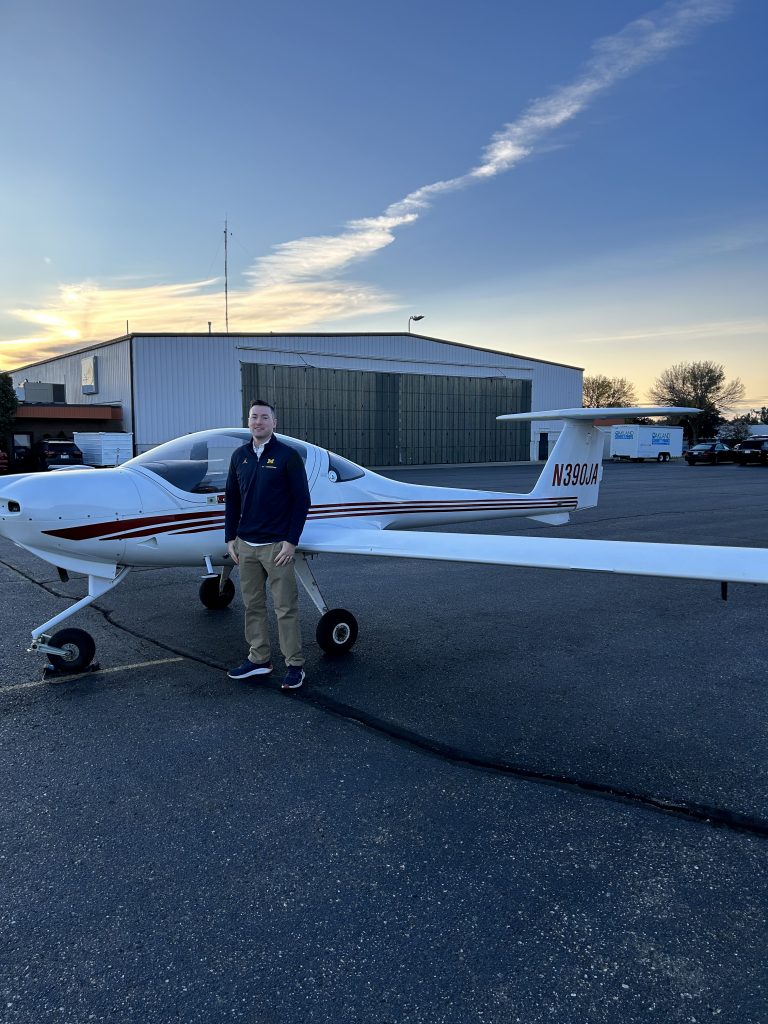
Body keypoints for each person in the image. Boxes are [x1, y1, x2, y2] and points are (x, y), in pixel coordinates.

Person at [224, 399, 311, 690]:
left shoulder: (288, 456)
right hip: (245, 544)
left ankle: (294, 665)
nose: (258, 422)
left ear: (274, 423)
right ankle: (259, 659)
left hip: (277, 546)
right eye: (253, 417)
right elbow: (232, 500)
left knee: (285, 607)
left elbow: (302, 501)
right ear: (248, 422)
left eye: (264, 417)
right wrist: (230, 538)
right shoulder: (239, 456)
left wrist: (291, 542)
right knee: (253, 606)